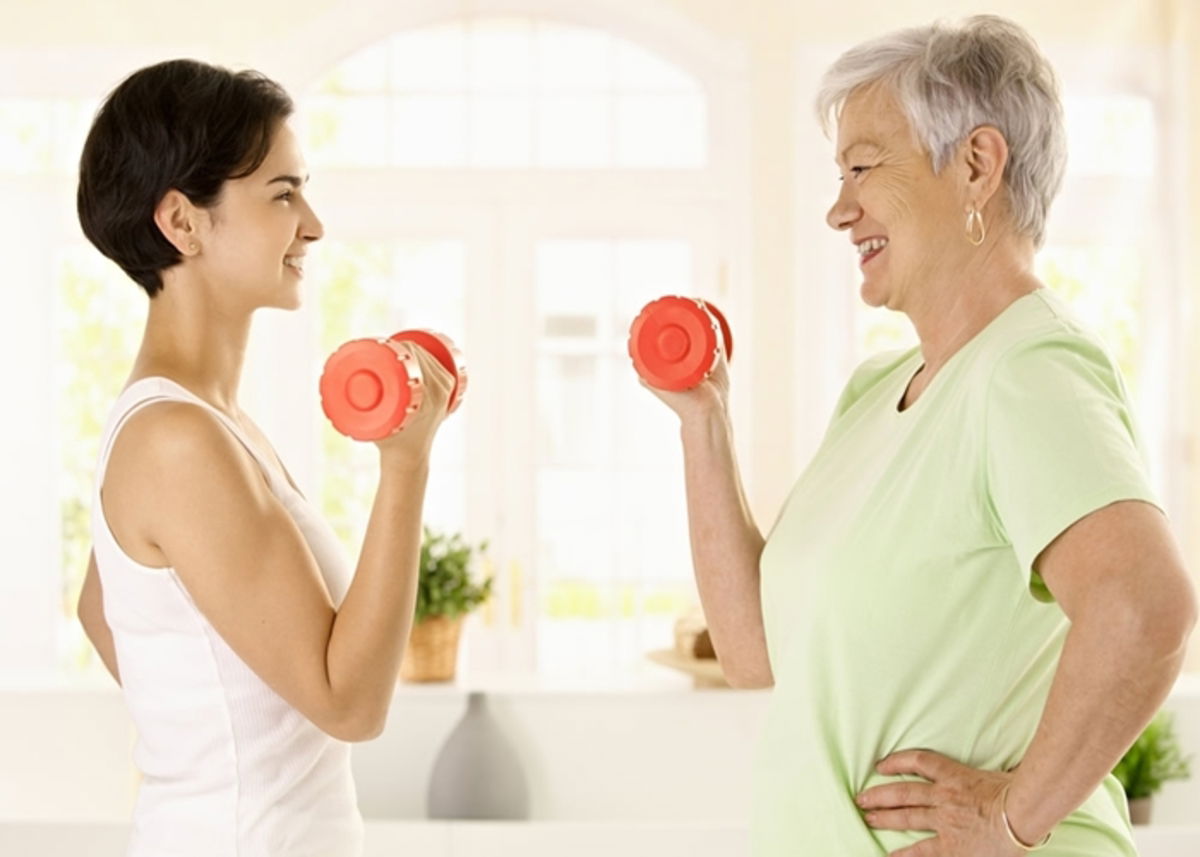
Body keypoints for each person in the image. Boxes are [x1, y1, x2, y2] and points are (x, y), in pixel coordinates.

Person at [647, 15, 1196, 856]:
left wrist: (1010, 818)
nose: (839, 209)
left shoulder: (1028, 368)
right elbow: (756, 649)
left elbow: (1145, 604)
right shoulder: (879, 391)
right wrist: (703, 419)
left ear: (977, 165)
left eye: (864, 166)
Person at [74, 59, 454, 857]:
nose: (311, 225)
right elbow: (351, 706)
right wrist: (405, 465)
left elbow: (99, 609)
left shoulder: (203, 421)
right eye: (283, 194)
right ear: (182, 222)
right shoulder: (180, 440)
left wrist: (212, 734)